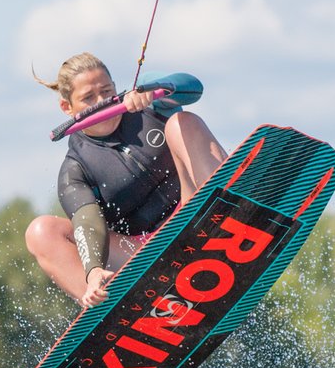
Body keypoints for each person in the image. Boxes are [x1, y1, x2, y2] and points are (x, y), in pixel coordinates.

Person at [25, 52, 227, 308]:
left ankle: (232, 208)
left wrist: (154, 91)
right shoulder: (76, 168)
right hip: (143, 253)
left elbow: (193, 87)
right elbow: (87, 223)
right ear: (67, 107)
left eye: (106, 91)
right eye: (88, 98)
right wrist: (93, 269)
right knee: (40, 232)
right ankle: (108, 307)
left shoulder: (147, 103)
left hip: (195, 214)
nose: (102, 102)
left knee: (181, 122)